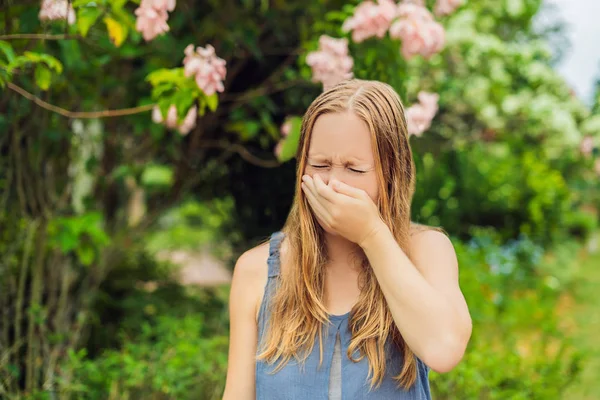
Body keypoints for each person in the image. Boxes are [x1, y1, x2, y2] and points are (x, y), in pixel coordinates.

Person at [222, 79, 472, 400]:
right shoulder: (256, 269)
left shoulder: (426, 250)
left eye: (354, 169)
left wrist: (371, 234)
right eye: (320, 165)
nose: (332, 185)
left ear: (391, 173)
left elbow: (445, 348)